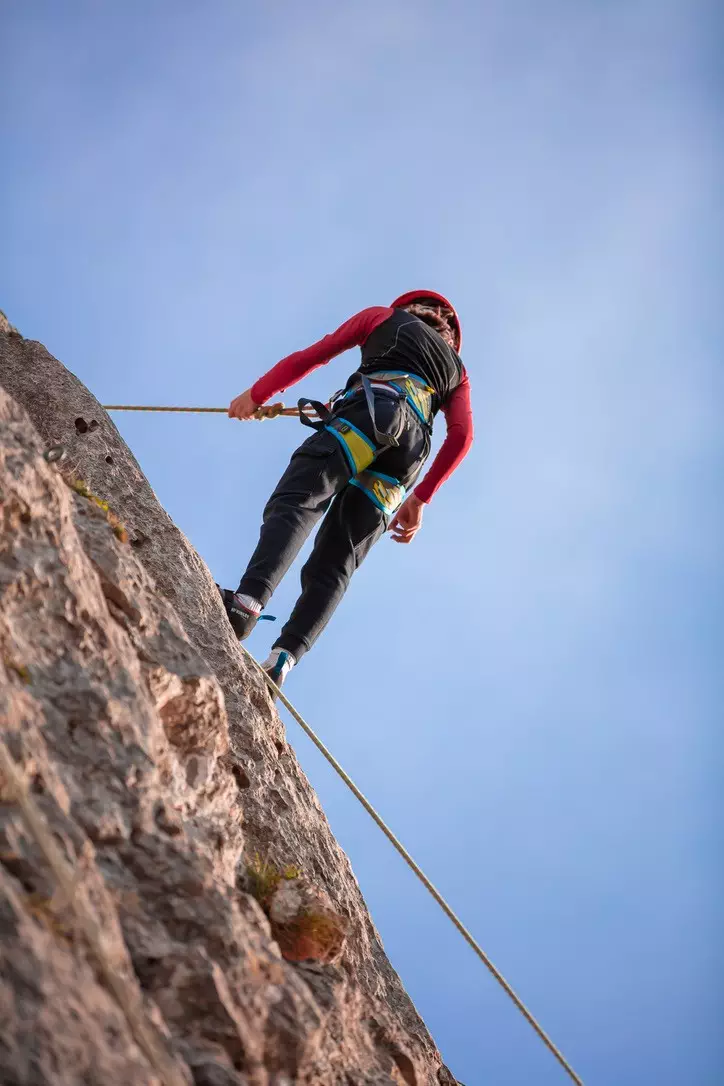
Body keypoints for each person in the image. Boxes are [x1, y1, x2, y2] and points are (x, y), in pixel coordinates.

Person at [220, 290, 474, 688]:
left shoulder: (383, 317)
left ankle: (246, 604)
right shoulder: (457, 372)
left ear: (406, 308)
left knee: (300, 500)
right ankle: (284, 658)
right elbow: (461, 435)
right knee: (338, 559)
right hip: (407, 457)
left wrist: (256, 395)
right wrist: (421, 498)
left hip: (372, 413)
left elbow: (314, 355)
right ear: (452, 338)